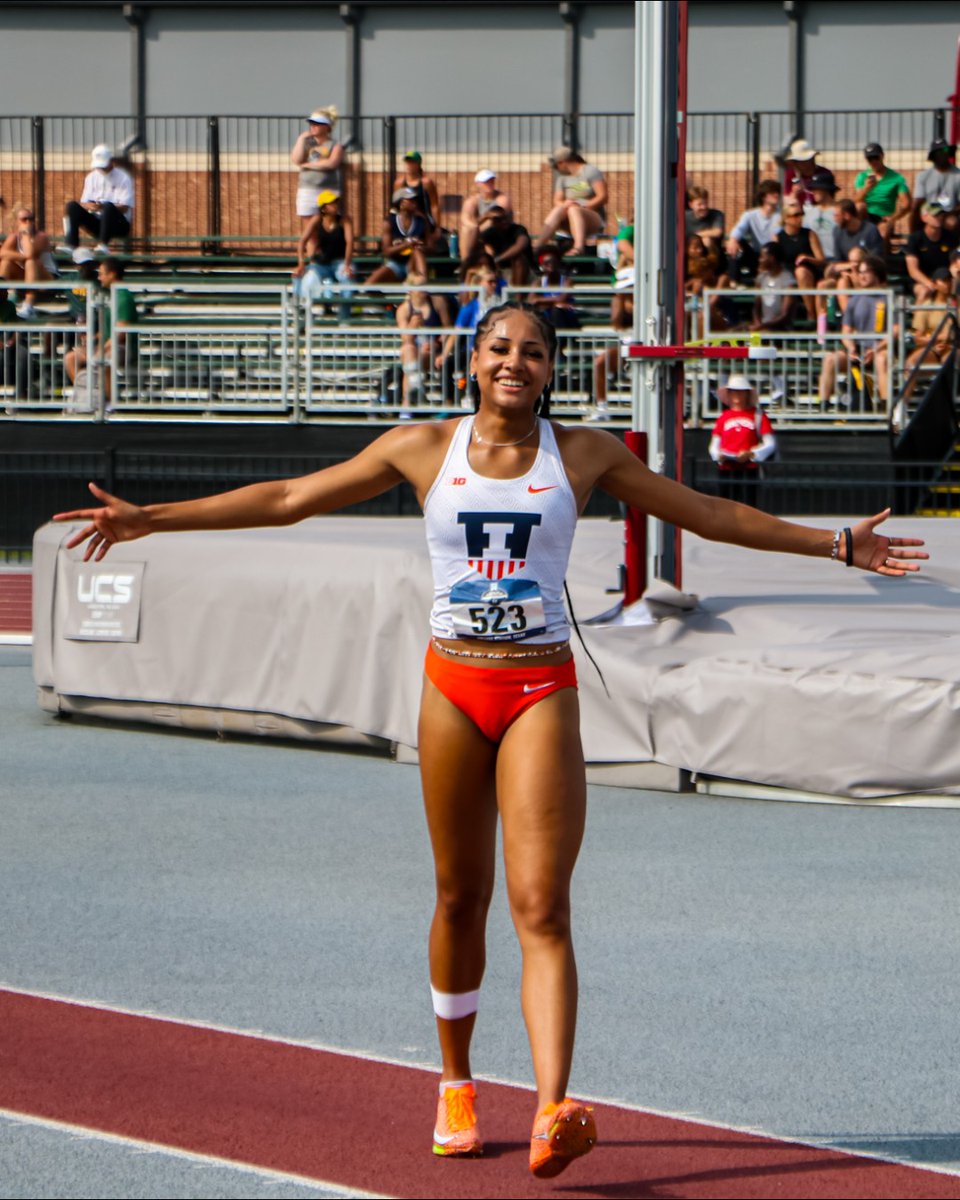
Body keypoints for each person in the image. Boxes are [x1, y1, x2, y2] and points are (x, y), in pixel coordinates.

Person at [52, 301, 927, 1181]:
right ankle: (456, 1083)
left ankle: (553, 1109)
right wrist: (151, 518)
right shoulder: (421, 448)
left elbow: (703, 511)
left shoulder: (582, 455)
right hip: (453, 690)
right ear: (472, 360)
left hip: (538, 687)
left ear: (551, 370)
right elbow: (287, 500)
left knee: (542, 906)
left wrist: (834, 544)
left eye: (533, 352)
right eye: (500, 347)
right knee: (459, 897)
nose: (515, 362)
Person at [817, 255, 891, 408]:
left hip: (881, 349)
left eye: (866, 272)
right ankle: (823, 404)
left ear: (877, 274)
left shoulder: (887, 298)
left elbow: (895, 331)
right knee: (830, 359)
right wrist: (851, 348)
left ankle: (886, 406)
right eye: (860, 272)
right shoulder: (854, 300)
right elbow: (846, 330)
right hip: (858, 350)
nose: (862, 276)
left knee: (881, 359)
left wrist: (876, 349)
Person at [64, 256, 136, 403]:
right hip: (107, 345)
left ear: (112, 274)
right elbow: (107, 329)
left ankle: (108, 402)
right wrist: (93, 339)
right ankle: (87, 396)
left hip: (123, 348)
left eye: (102, 274)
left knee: (103, 360)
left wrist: (100, 349)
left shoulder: (123, 297)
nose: (99, 277)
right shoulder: (109, 296)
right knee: (70, 358)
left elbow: (120, 334)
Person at [709, 374, 776, 504]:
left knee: (748, 506)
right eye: (733, 391)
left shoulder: (758, 415)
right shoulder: (723, 417)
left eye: (740, 391)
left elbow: (770, 444)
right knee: (725, 506)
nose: (737, 395)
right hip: (726, 469)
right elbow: (714, 444)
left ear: (747, 394)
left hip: (749, 469)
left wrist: (751, 454)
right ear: (729, 394)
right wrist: (718, 456)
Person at [292, 190, 355, 321]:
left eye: (335, 202)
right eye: (331, 203)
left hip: (340, 262)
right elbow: (302, 242)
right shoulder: (317, 220)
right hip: (322, 264)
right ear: (323, 208)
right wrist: (301, 264)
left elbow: (350, 242)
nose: (335, 205)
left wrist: (347, 265)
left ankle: (344, 318)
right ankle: (302, 314)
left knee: (347, 278)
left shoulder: (344, 220)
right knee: (302, 277)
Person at [534, 146, 607, 256]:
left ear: (562, 162)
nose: (557, 169)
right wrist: (565, 204)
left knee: (574, 209)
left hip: (591, 216)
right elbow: (557, 200)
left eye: (557, 166)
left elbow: (603, 196)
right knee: (559, 209)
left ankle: (579, 247)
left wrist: (583, 205)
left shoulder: (590, 171)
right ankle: (537, 246)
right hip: (569, 217)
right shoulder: (562, 179)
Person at [395, 271, 452, 410]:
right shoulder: (403, 309)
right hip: (414, 350)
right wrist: (412, 326)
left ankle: (407, 403)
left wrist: (437, 343)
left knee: (410, 361)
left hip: (434, 350)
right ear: (410, 289)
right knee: (408, 349)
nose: (424, 289)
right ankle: (415, 390)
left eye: (425, 285)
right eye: (420, 286)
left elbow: (448, 329)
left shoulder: (437, 302)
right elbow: (405, 338)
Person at [290, 108, 344, 253]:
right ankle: (312, 260)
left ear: (327, 127)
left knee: (329, 228)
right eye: (312, 123)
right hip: (307, 190)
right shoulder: (307, 143)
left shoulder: (334, 144)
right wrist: (301, 139)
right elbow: (296, 159)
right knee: (312, 233)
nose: (313, 126)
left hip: (328, 191)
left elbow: (332, 163)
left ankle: (328, 258)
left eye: (317, 124)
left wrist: (309, 165)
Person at [64, 144, 134, 254]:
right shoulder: (91, 177)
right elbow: (84, 202)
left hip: (119, 225)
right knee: (72, 206)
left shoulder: (123, 178)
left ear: (111, 161)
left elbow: (125, 207)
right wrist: (91, 206)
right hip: (98, 223)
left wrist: (103, 207)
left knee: (108, 206)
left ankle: (103, 245)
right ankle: (71, 244)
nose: (101, 169)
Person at [0, 204, 58, 318]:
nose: (28, 222)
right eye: (24, 219)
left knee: (31, 262)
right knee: (6, 262)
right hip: (27, 277)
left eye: (31, 219)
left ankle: (28, 305)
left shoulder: (41, 237)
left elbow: (31, 254)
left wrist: (25, 234)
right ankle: (1, 299)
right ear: (16, 222)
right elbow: (2, 254)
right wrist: (21, 256)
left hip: (47, 279)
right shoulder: (13, 237)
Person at [366, 189, 429, 285]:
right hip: (395, 264)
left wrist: (420, 246)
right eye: (410, 200)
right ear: (401, 203)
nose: (414, 202)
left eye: (415, 200)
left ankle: (420, 280)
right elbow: (386, 251)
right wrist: (407, 244)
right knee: (369, 285)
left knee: (417, 252)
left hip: (414, 263)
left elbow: (431, 246)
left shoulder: (421, 221)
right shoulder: (389, 222)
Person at [725, 180, 782, 283]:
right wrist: (733, 240)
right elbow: (739, 228)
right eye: (772, 192)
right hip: (755, 256)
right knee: (738, 243)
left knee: (773, 247)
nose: (777, 195)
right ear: (763, 196)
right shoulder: (750, 215)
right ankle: (733, 282)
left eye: (777, 192)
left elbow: (777, 237)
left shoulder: (781, 215)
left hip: (773, 256)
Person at [852, 143, 910, 242]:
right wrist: (866, 189)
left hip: (884, 218)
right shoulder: (862, 177)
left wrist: (892, 218)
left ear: (882, 156)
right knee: (859, 206)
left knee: (883, 232)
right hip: (865, 216)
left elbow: (907, 204)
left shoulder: (897, 178)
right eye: (870, 159)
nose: (873, 161)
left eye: (876, 157)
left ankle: (881, 252)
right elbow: (855, 201)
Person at [775, 201, 824, 318]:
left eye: (802, 214)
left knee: (801, 272)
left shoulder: (809, 234)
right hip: (788, 272)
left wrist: (807, 258)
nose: (800, 218)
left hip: (808, 271)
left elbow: (821, 260)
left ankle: (810, 313)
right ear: (786, 218)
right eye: (796, 215)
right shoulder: (778, 237)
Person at [905, 203, 960, 302]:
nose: (939, 218)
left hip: (944, 277)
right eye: (935, 215)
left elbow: (955, 263)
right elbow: (913, 270)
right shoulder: (915, 239)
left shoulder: (950, 238)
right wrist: (932, 284)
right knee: (924, 291)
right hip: (921, 280)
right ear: (924, 218)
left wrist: (950, 281)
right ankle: (919, 312)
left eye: (941, 215)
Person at [459, 170, 513, 262]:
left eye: (491, 181)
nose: (490, 184)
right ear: (478, 184)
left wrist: (476, 227)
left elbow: (496, 218)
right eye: (486, 182)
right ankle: (465, 263)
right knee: (467, 229)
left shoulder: (502, 198)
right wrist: (484, 217)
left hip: (500, 234)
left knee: (488, 227)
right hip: (478, 236)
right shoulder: (472, 201)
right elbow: (465, 220)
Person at [473, 206, 535, 286]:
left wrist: (498, 259)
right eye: (499, 219)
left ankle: (517, 293)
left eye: (505, 217)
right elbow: (474, 242)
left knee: (518, 259)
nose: (504, 221)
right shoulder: (490, 232)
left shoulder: (518, 229)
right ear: (493, 221)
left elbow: (520, 245)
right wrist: (483, 218)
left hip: (525, 272)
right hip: (501, 271)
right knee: (482, 259)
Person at [391, 151, 441, 248]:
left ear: (418, 164)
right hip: (406, 218)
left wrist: (437, 227)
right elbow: (396, 204)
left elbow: (434, 205)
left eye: (412, 162)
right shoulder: (399, 183)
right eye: (407, 162)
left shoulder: (426, 182)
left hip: (422, 220)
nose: (409, 165)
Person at [912, 139, 960, 231]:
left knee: (952, 222)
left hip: (950, 213)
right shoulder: (923, 176)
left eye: (945, 150)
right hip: (928, 212)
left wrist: (947, 214)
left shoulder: (958, 175)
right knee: (915, 211)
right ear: (933, 156)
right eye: (938, 152)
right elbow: (918, 201)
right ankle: (914, 238)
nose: (943, 154)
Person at [749, 242, 795, 332]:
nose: (759, 260)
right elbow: (756, 307)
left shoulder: (787, 279)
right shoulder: (761, 278)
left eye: (762, 257)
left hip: (779, 329)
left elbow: (784, 314)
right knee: (734, 332)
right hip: (762, 326)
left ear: (772, 258)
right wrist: (758, 323)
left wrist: (763, 326)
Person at [685, 185, 725, 254]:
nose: (704, 207)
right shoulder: (684, 216)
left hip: (711, 253)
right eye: (700, 204)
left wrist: (695, 236)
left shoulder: (717, 214)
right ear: (691, 205)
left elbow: (717, 232)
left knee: (706, 239)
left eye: (705, 203)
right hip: (690, 252)